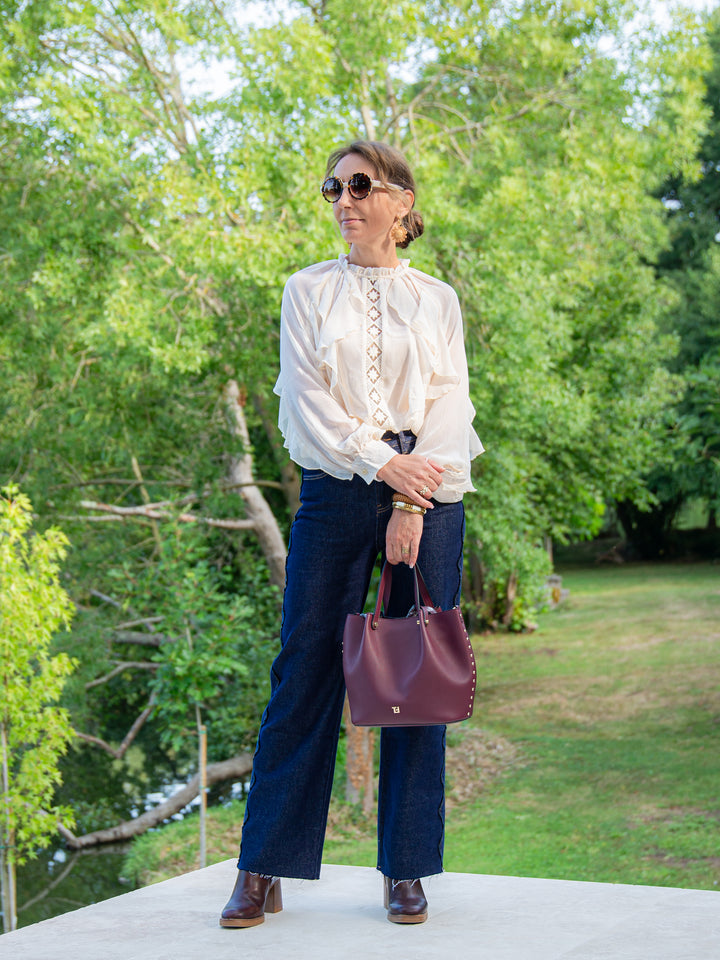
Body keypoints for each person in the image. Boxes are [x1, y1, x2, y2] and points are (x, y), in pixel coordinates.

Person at [220, 140, 483, 928]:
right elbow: (306, 404)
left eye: (361, 185)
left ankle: (406, 869)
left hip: (429, 492)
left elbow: (449, 404)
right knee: (303, 668)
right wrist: (379, 467)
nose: (344, 199)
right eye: (333, 186)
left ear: (402, 203)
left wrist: (410, 501)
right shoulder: (304, 291)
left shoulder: (437, 299)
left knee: (416, 675)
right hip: (336, 490)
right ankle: (262, 864)